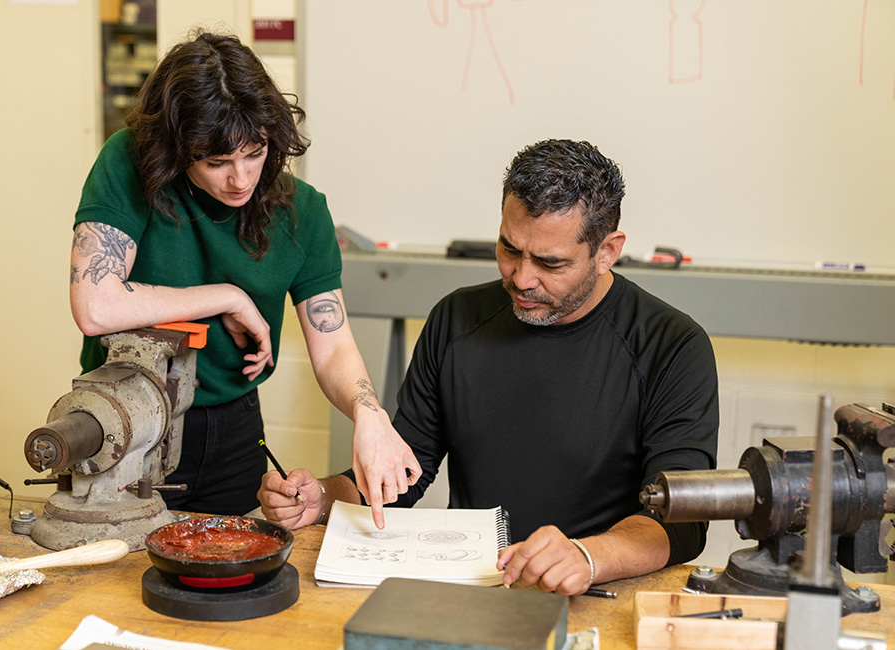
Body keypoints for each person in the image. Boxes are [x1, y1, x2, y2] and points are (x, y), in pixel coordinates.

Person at [258, 139, 719, 595]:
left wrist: (586, 557)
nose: (521, 278)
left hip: (600, 590)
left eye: (549, 262)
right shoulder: (456, 320)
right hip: (476, 587)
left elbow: (682, 521)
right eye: (509, 248)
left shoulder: (672, 346)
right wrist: (320, 499)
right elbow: (405, 471)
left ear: (607, 251)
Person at [69, 29, 420, 520]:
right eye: (216, 162)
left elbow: (334, 345)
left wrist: (369, 414)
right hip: (127, 416)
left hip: (235, 429)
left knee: (231, 573)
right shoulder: (130, 162)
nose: (240, 179)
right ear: (175, 147)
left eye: (254, 153)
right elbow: (96, 305)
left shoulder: (304, 211)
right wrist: (226, 297)